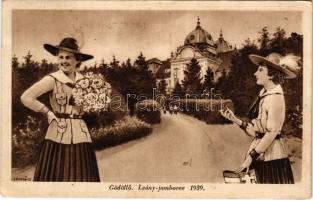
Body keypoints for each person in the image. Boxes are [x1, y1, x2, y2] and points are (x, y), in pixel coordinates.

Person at [21, 37, 100, 182]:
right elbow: (26, 97)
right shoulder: (52, 79)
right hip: (58, 134)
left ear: (78, 60)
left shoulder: (85, 82)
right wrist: (47, 112)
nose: (64, 61)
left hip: (81, 135)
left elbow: (90, 105)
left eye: (68, 57)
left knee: (83, 177)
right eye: (61, 57)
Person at [220, 52, 300, 184]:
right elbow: (256, 133)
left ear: (272, 74)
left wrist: (252, 156)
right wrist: (236, 120)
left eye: (260, 70)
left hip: (271, 158)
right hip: (260, 155)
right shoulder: (265, 96)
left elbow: (271, 133)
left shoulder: (275, 97)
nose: (255, 73)